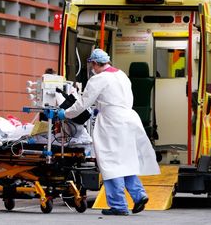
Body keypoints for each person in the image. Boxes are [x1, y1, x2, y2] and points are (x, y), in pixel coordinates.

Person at [58, 49, 160, 216]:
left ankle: (119, 205)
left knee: (110, 163)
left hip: (111, 122)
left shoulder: (98, 79)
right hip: (128, 119)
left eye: (92, 64)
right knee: (124, 160)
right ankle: (138, 194)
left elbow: (83, 103)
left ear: (95, 63)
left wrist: (65, 113)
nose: (92, 68)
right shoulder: (121, 75)